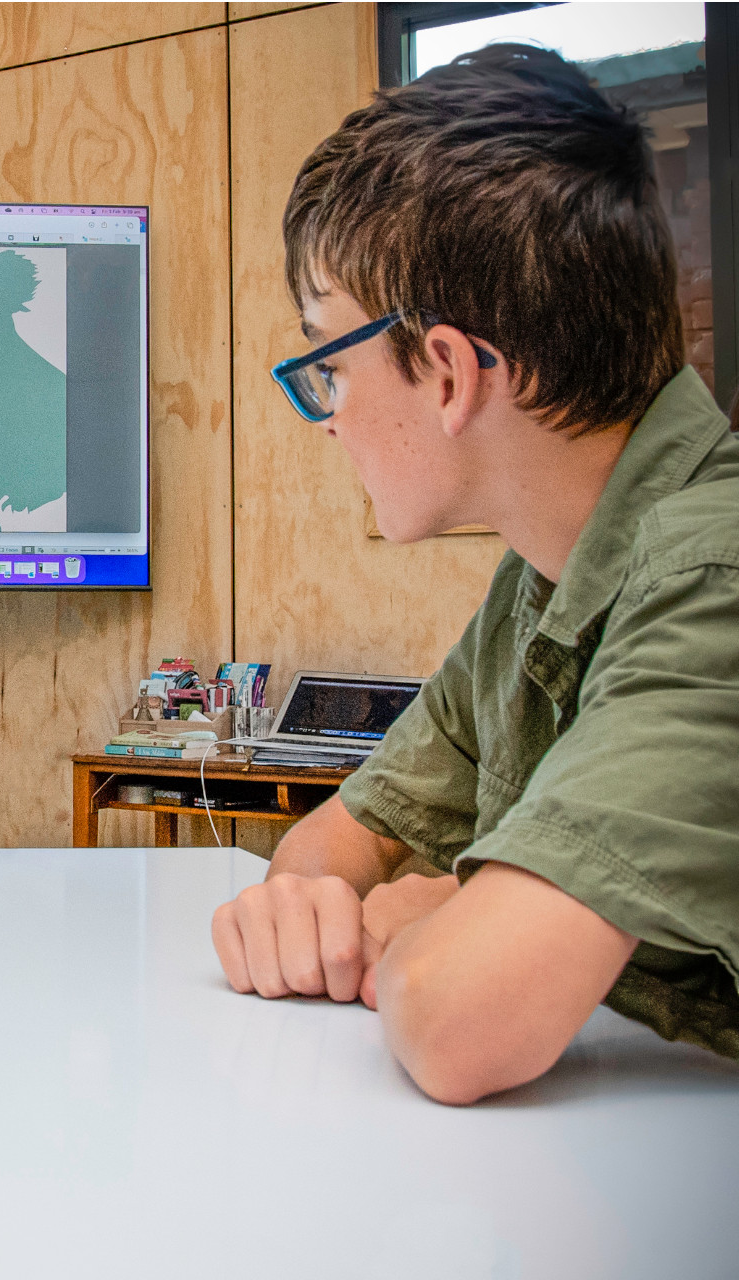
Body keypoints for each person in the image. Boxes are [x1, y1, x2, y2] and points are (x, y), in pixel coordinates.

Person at [212, 44, 739, 1103]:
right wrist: (310, 900)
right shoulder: (544, 575)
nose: (329, 415)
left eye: (330, 361)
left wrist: (446, 908)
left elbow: (462, 1024)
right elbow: (340, 838)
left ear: (448, 371)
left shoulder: (713, 571)